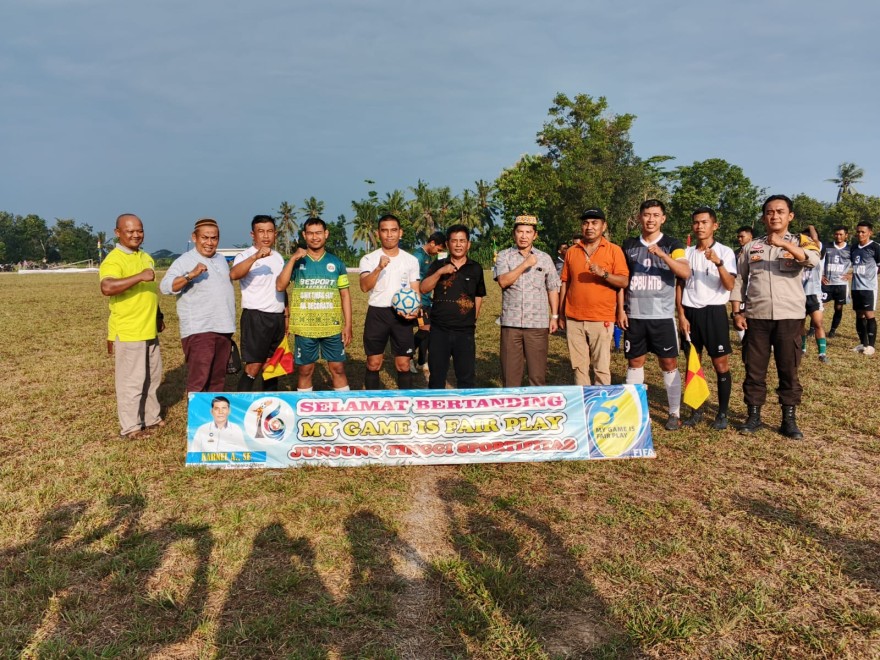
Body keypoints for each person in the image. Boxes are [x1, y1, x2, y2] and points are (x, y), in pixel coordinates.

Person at [730, 195, 820, 439]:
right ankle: (754, 416)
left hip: (789, 317)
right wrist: (737, 311)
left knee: (788, 369)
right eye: (769, 212)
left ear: (790, 216)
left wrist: (784, 244)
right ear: (763, 217)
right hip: (756, 316)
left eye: (780, 211)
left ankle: (788, 420)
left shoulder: (801, 242)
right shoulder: (751, 247)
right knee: (754, 369)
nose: (775, 216)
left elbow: (812, 260)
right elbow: (740, 280)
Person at [620, 199, 692, 430]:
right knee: (635, 362)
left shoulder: (673, 244)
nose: (650, 219)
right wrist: (621, 309)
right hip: (635, 315)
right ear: (639, 217)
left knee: (668, 363)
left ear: (663, 218)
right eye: (646, 214)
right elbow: (622, 279)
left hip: (662, 315)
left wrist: (663, 255)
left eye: (655, 215)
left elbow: (685, 272)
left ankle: (673, 413)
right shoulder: (629, 245)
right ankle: (636, 412)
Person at [99, 213, 164, 439]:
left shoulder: (146, 257)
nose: (136, 234)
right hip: (129, 330)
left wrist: (158, 315)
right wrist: (139, 276)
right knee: (131, 382)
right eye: (130, 231)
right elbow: (107, 287)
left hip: (149, 328)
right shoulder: (114, 259)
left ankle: (151, 418)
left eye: (140, 230)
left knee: (152, 378)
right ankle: (131, 427)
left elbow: (149, 291)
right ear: (118, 233)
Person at [676, 207, 737, 429]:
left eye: (704, 222)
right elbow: (680, 285)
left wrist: (718, 263)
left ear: (714, 225)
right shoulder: (686, 253)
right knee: (693, 362)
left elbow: (729, 285)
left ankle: (722, 413)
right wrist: (681, 315)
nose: (700, 226)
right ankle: (696, 410)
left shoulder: (725, 252)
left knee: (720, 363)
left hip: (714, 312)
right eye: (696, 222)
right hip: (690, 313)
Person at [276, 217, 352, 391]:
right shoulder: (297, 261)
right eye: (310, 233)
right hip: (305, 327)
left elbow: (345, 295)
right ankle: (305, 406)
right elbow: (280, 286)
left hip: (332, 327)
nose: (314, 237)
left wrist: (348, 325)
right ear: (304, 235)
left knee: (338, 369)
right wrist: (293, 258)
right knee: (305, 370)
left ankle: (342, 405)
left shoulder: (336, 263)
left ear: (326, 234)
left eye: (318, 233)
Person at [160, 218, 236, 393]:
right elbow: (165, 287)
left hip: (223, 328)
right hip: (199, 330)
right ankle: (196, 411)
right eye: (205, 237)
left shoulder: (221, 259)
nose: (209, 242)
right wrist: (190, 275)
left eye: (214, 238)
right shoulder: (185, 260)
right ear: (194, 237)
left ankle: (212, 411)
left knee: (217, 380)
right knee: (199, 380)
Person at [558, 208, 629, 386]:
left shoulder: (614, 250)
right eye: (586, 223)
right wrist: (560, 314)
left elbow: (623, 281)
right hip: (574, 317)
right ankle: (584, 400)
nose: (589, 227)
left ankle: (601, 401)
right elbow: (565, 283)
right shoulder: (572, 251)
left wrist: (604, 274)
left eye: (594, 223)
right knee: (579, 367)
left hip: (601, 317)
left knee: (601, 367)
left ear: (603, 226)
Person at [495, 215, 560, 387]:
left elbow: (552, 287)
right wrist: (525, 264)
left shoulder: (544, 258)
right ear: (514, 234)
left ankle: (536, 404)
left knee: (537, 376)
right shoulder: (504, 256)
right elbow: (503, 281)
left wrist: (554, 316)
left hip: (537, 324)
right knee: (510, 377)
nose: (524, 236)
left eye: (528, 232)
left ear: (535, 235)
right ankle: (512, 403)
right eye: (520, 232)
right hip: (511, 323)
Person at [419, 225, 486, 389]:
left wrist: (472, 318)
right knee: (436, 378)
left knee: (466, 379)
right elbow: (424, 288)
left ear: (468, 244)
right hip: (439, 330)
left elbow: (478, 295)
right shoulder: (438, 265)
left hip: (465, 332)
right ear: (448, 244)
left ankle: (466, 406)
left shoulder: (475, 268)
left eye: (462, 241)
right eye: (454, 241)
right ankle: (436, 405)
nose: (458, 245)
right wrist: (440, 272)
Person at [359, 214, 421, 390]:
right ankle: (372, 402)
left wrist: (415, 311)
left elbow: (415, 290)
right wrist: (379, 268)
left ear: (400, 233)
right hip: (377, 313)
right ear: (378, 233)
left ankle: (405, 403)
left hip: (402, 315)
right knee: (374, 363)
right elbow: (364, 287)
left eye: (393, 230)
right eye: (384, 230)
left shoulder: (411, 260)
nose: (389, 234)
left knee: (403, 364)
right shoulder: (369, 259)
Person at [230, 215, 288, 391]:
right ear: (252, 234)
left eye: (270, 231)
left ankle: (270, 401)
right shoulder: (245, 255)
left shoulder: (278, 257)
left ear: (275, 234)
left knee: (273, 365)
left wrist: (286, 314)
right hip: (256, 317)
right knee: (254, 366)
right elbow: (234, 274)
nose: (266, 235)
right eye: (261, 231)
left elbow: (282, 286)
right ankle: (240, 402)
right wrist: (255, 257)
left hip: (277, 317)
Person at [412, 231, 447, 378]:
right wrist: (418, 301)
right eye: (438, 249)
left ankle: (421, 361)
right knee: (424, 329)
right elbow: (411, 279)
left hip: (427, 300)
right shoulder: (418, 256)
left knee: (427, 330)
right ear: (432, 243)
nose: (438, 252)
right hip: (419, 301)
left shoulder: (427, 256)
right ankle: (408, 355)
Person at [800, 225, 829, 362]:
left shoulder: (818, 250)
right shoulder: (798, 252)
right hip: (798, 293)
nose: (808, 239)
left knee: (818, 323)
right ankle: (802, 349)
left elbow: (816, 240)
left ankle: (822, 354)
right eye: (805, 237)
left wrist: (811, 227)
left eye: (809, 237)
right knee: (799, 325)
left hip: (813, 293)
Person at [850, 221, 880, 355]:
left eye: (863, 232)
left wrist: (871, 275)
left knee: (869, 314)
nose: (860, 234)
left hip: (869, 287)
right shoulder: (854, 247)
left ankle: (871, 346)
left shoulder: (875, 247)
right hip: (855, 287)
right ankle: (863, 344)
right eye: (858, 232)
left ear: (870, 233)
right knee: (859, 314)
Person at [822, 226, 852, 338]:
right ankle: (812, 329)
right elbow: (819, 261)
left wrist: (851, 275)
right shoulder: (826, 246)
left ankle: (832, 330)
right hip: (827, 283)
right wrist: (821, 275)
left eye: (841, 234)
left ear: (846, 235)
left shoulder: (850, 249)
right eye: (836, 234)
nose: (838, 236)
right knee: (819, 306)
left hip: (841, 284)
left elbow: (860, 263)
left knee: (838, 308)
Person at [733, 226, 754, 341]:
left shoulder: (758, 250)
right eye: (738, 237)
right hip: (741, 289)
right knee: (739, 314)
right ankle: (744, 340)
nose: (739, 239)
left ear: (750, 236)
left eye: (742, 236)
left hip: (755, 289)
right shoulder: (736, 253)